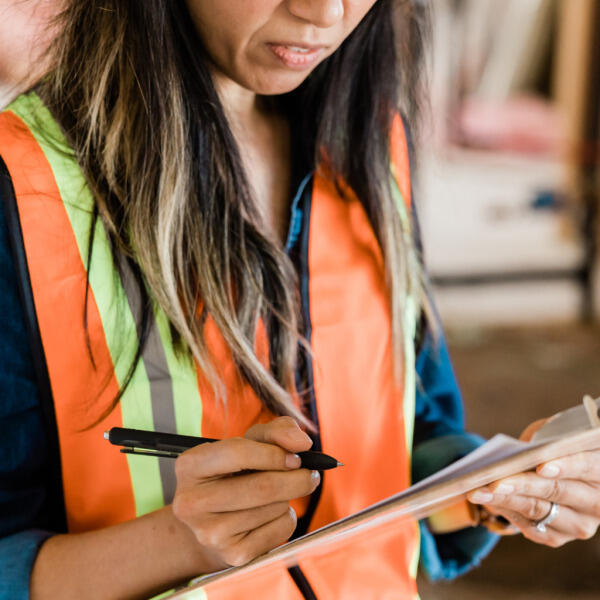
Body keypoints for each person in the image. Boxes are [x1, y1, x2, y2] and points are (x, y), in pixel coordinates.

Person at [0, 1, 599, 599]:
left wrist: (495, 486)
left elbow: (406, 437)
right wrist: (177, 543)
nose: (324, 12)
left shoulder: (371, 143)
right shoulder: (23, 190)